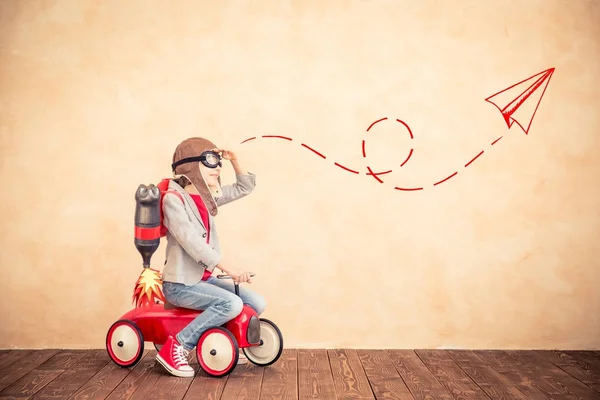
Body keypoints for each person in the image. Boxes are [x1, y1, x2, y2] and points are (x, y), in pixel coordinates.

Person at [155, 137, 266, 378]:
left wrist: (235, 161)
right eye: (210, 164)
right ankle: (177, 347)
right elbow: (193, 244)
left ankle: (220, 343)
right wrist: (230, 269)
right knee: (231, 303)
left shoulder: (207, 197)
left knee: (256, 303)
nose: (217, 169)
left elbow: (243, 187)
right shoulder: (173, 200)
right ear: (191, 167)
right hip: (181, 284)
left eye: (218, 164)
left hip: (203, 280)